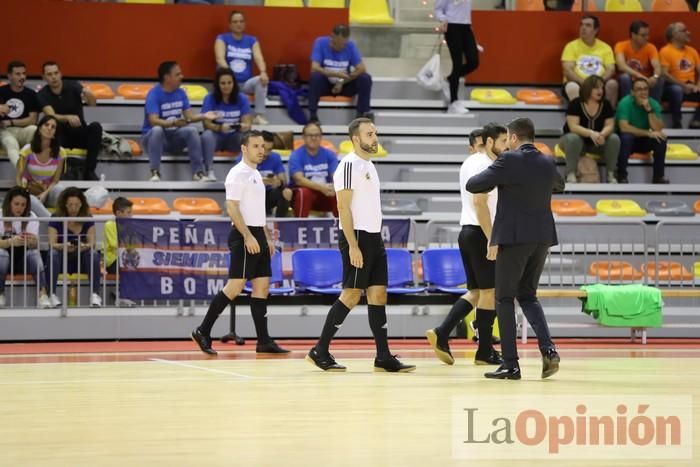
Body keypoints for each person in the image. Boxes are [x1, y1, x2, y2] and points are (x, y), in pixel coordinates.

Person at [306, 118, 415, 373]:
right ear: (356, 139)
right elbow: (342, 207)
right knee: (352, 294)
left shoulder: (369, 165)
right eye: (369, 134)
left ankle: (383, 356)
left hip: (374, 237)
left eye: (375, 133)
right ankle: (319, 350)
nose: (374, 138)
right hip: (356, 237)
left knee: (378, 294)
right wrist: (353, 246)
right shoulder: (348, 165)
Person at [466, 117, 564, 380]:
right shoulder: (546, 160)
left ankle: (511, 363)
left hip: (514, 236)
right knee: (528, 295)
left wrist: (501, 177)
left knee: (505, 298)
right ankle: (549, 349)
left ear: (514, 138)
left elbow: (473, 185)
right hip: (542, 236)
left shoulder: (509, 160)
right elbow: (560, 184)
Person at [191, 130, 289, 356]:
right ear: (244, 148)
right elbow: (232, 208)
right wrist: (248, 236)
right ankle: (203, 330)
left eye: (263, 146)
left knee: (262, 287)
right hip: (243, 235)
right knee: (235, 287)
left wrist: (266, 236)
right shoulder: (238, 174)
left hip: (257, 234)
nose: (261, 150)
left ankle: (263, 341)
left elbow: (257, 211)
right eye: (256, 146)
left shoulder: (255, 174)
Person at [425, 125, 506, 367]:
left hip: (467, 231)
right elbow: (480, 204)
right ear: (490, 143)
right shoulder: (485, 165)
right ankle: (484, 350)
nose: (506, 147)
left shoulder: (469, 162)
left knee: (477, 292)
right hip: (481, 232)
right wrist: (492, 237)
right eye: (502, 141)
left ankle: (442, 331)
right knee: (489, 292)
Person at [142, 61, 218, 182]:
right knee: (157, 130)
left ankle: (198, 172)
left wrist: (204, 116)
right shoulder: (154, 94)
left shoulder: (181, 92)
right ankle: (155, 172)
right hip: (154, 139)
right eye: (178, 74)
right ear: (167, 77)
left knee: (192, 131)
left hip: (174, 137)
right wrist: (173, 123)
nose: (181, 76)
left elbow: (189, 117)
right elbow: (153, 121)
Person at [37, 61, 101, 181]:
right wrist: (67, 117)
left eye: (56, 73)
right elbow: (51, 115)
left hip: (79, 132)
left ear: (60, 74)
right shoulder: (42, 94)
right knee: (51, 131)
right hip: (61, 136)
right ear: (44, 77)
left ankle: (89, 171)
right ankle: (58, 172)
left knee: (96, 127)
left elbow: (92, 103)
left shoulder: (73, 86)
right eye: (49, 74)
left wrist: (87, 93)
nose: (54, 77)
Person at [559, 75, 620, 184]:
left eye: (601, 88)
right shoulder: (576, 103)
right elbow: (573, 127)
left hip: (597, 142)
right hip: (574, 142)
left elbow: (610, 125)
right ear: (588, 89)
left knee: (614, 138)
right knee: (573, 138)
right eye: (596, 88)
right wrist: (591, 133)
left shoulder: (605, 104)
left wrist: (602, 135)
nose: (600, 91)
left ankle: (611, 174)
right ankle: (570, 173)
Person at [47, 187, 102, 308]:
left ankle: (95, 295)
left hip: (81, 258)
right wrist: (64, 246)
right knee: (53, 253)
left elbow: (92, 243)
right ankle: (51, 294)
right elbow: (52, 243)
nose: (73, 208)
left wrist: (82, 246)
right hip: (62, 258)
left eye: (76, 205)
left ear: (81, 204)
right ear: (64, 205)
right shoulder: (56, 218)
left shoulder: (87, 218)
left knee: (93, 254)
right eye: (70, 205)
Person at [308, 24, 373, 124]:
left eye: (342, 44)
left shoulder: (350, 45)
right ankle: (313, 116)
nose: (339, 47)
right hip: (326, 84)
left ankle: (361, 114)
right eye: (336, 43)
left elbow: (361, 68)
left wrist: (341, 82)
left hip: (343, 84)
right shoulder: (320, 42)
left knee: (365, 78)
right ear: (332, 37)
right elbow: (314, 67)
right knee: (315, 77)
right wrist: (335, 74)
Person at [214, 10, 269, 125]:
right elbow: (220, 58)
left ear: (244, 24)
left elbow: (259, 57)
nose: (238, 24)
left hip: (245, 84)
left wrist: (263, 72)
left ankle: (258, 115)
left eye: (241, 21)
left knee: (261, 79)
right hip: (228, 82)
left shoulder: (251, 40)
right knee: (221, 68)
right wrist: (230, 75)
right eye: (235, 22)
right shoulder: (222, 38)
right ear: (230, 25)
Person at [0, 186, 52, 309]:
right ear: (9, 203)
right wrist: (10, 242)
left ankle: (43, 294)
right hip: (5, 259)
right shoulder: (1, 215)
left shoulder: (31, 216)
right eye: (16, 204)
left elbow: (35, 244)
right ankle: (0, 293)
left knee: (34, 254)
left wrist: (32, 242)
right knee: (2, 254)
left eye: (23, 205)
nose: (19, 208)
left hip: (24, 259)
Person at [201, 68, 252, 182]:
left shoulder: (242, 98)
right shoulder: (210, 98)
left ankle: (245, 173)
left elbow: (247, 121)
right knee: (207, 135)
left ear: (234, 83)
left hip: (234, 137)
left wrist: (244, 126)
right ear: (217, 85)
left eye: (229, 83)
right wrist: (219, 128)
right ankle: (209, 170)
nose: (226, 86)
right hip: (216, 136)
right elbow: (206, 123)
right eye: (223, 83)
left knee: (248, 137)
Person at [616, 78, 668, 184]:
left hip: (642, 140)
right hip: (625, 141)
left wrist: (649, 110)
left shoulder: (653, 104)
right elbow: (624, 127)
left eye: (645, 89)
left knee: (660, 139)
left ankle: (658, 176)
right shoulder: (625, 103)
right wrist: (648, 133)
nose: (643, 92)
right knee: (627, 137)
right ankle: (621, 175)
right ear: (632, 92)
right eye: (639, 89)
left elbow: (658, 129)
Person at [15, 115, 66, 218]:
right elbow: (19, 177)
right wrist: (23, 192)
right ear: (39, 129)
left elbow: (55, 181)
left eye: (53, 127)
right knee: (31, 200)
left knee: (60, 189)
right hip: (31, 192)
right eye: (46, 125)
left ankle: (61, 220)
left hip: (48, 192)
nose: (49, 128)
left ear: (55, 133)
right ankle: (53, 222)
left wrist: (45, 194)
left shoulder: (61, 152)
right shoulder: (27, 150)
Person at [561, 15, 618, 108]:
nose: (583, 28)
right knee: (572, 86)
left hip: (599, 84)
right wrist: (584, 83)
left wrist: (599, 82)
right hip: (578, 83)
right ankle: (579, 115)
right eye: (581, 25)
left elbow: (611, 69)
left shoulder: (605, 47)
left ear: (596, 30)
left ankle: (607, 117)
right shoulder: (571, 46)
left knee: (613, 84)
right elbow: (568, 70)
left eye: (588, 25)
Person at [434, 0, 478, 114]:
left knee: (474, 61)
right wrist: (443, 19)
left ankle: (450, 79)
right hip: (452, 27)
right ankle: (453, 102)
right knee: (457, 63)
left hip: (466, 27)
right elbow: (438, 9)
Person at [234, 130, 292, 217]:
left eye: (269, 150)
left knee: (287, 192)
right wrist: (261, 182)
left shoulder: (275, 157)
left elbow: (284, 180)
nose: (265, 153)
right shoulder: (243, 158)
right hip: (250, 196)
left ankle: (279, 223)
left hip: (268, 195)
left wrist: (279, 182)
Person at [288, 122, 339, 218]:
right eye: (310, 135)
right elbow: (299, 180)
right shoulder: (296, 155)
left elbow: (336, 176)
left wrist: (333, 187)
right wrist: (321, 187)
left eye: (317, 135)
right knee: (304, 193)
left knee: (339, 191)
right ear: (303, 137)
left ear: (321, 137)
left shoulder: (330, 154)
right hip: (305, 195)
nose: (314, 138)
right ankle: (300, 226)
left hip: (326, 193)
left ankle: (343, 228)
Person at [659, 22, 700, 129]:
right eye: (684, 30)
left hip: (690, 87)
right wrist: (683, 86)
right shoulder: (665, 51)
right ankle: (677, 122)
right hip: (672, 86)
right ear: (674, 35)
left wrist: (698, 86)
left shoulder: (692, 51)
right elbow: (664, 75)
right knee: (676, 90)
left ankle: (696, 121)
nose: (689, 32)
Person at [0, 61, 39, 168]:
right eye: (18, 74)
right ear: (9, 76)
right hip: (5, 131)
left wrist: (11, 122)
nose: (22, 77)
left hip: (24, 130)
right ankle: (22, 171)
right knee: (10, 143)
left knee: (35, 130)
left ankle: (38, 169)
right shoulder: (1, 91)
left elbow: (33, 120)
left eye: (24, 73)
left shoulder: (31, 94)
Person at [614, 21, 663, 102]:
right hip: (630, 81)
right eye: (643, 35)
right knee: (624, 77)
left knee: (660, 79)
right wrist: (640, 76)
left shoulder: (651, 47)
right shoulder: (621, 45)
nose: (647, 38)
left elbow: (657, 67)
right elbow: (621, 66)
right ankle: (628, 108)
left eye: (647, 35)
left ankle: (653, 108)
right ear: (633, 35)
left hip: (646, 82)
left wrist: (655, 77)